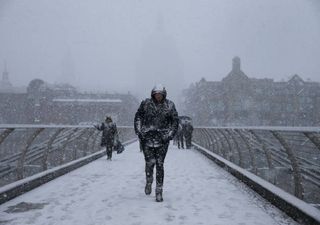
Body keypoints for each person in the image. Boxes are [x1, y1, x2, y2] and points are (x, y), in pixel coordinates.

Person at [134, 84, 179, 202]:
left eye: (160, 94)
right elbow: (138, 117)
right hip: (147, 138)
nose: (158, 96)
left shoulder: (170, 105)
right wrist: (139, 132)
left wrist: (169, 135)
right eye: (156, 94)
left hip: (162, 139)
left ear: (164, 95)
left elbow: (175, 122)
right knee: (149, 163)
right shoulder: (145, 104)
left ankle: (159, 190)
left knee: (160, 164)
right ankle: (149, 181)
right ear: (153, 94)